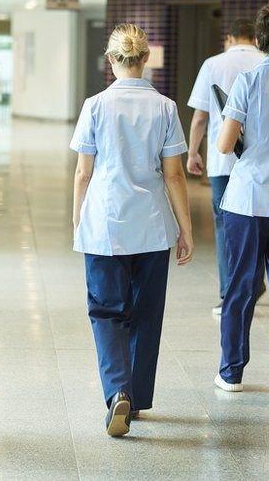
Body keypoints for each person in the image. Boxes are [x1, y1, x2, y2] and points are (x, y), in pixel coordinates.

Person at [71, 23, 195, 437]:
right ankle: (136, 398)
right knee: (145, 314)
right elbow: (174, 175)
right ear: (145, 61)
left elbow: (83, 173)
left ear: (111, 61)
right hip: (152, 226)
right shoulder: (165, 107)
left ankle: (117, 391)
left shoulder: (94, 106)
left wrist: (78, 219)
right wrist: (186, 229)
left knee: (106, 312)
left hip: (105, 222)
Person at [215, 3, 269, 408]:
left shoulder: (248, 80)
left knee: (241, 288)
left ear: (259, 39)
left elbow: (223, 144)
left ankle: (231, 372)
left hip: (248, 201)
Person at [186, 19, 267, 315]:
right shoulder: (266, 62)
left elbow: (200, 117)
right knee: (258, 223)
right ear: (254, 37)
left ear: (230, 37)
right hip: (258, 160)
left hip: (222, 161)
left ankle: (228, 292)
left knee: (224, 225)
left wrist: (193, 152)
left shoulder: (213, 64)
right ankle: (254, 282)